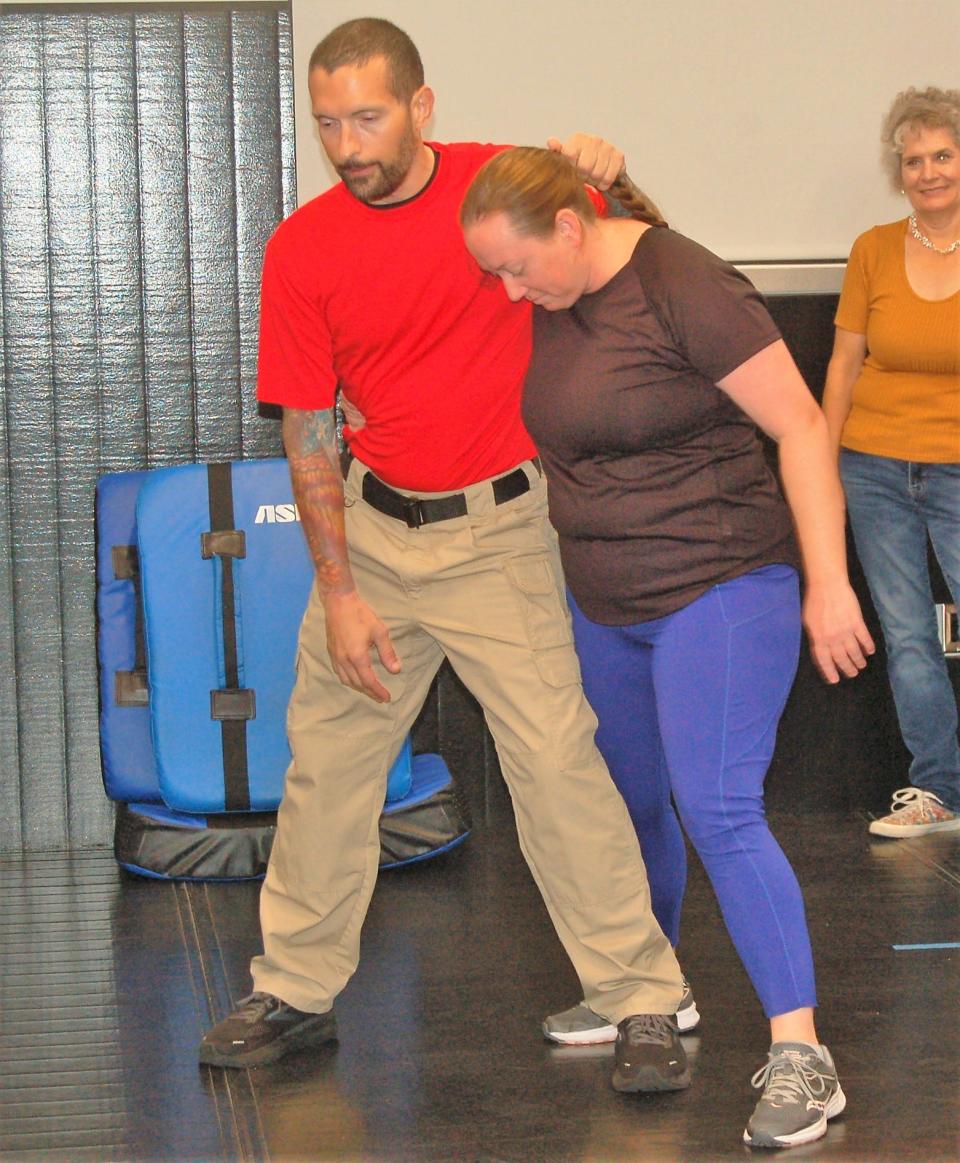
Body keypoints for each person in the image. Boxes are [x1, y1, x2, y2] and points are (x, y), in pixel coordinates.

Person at [199, 17, 693, 1095]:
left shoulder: (497, 190)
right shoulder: (306, 246)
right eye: (328, 122)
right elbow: (306, 427)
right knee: (328, 759)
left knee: (555, 762)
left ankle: (641, 994)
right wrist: (336, 589)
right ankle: (293, 986)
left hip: (504, 531)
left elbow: (634, 250)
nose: (348, 142)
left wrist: (617, 171)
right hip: (373, 535)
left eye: (367, 116)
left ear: (423, 107)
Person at [460, 146, 875, 1149]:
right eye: (495, 276)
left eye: (519, 267)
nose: (511, 292)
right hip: (610, 601)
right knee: (629, 802)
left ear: (570, 226)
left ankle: (803, 1055)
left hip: (724, 583)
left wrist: (827, 581)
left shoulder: (682, 280)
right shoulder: (556, 290)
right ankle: (649, 988)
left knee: (718, 805)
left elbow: (804, 425)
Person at [822, 86, 960, 839]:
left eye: (943, 155)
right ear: (898, 170)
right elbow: (843, 367)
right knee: (908, 635)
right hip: (872, 467)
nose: (929, 171)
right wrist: (818, 466)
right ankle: (939, 791)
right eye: (914, 160)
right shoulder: (873, 248)